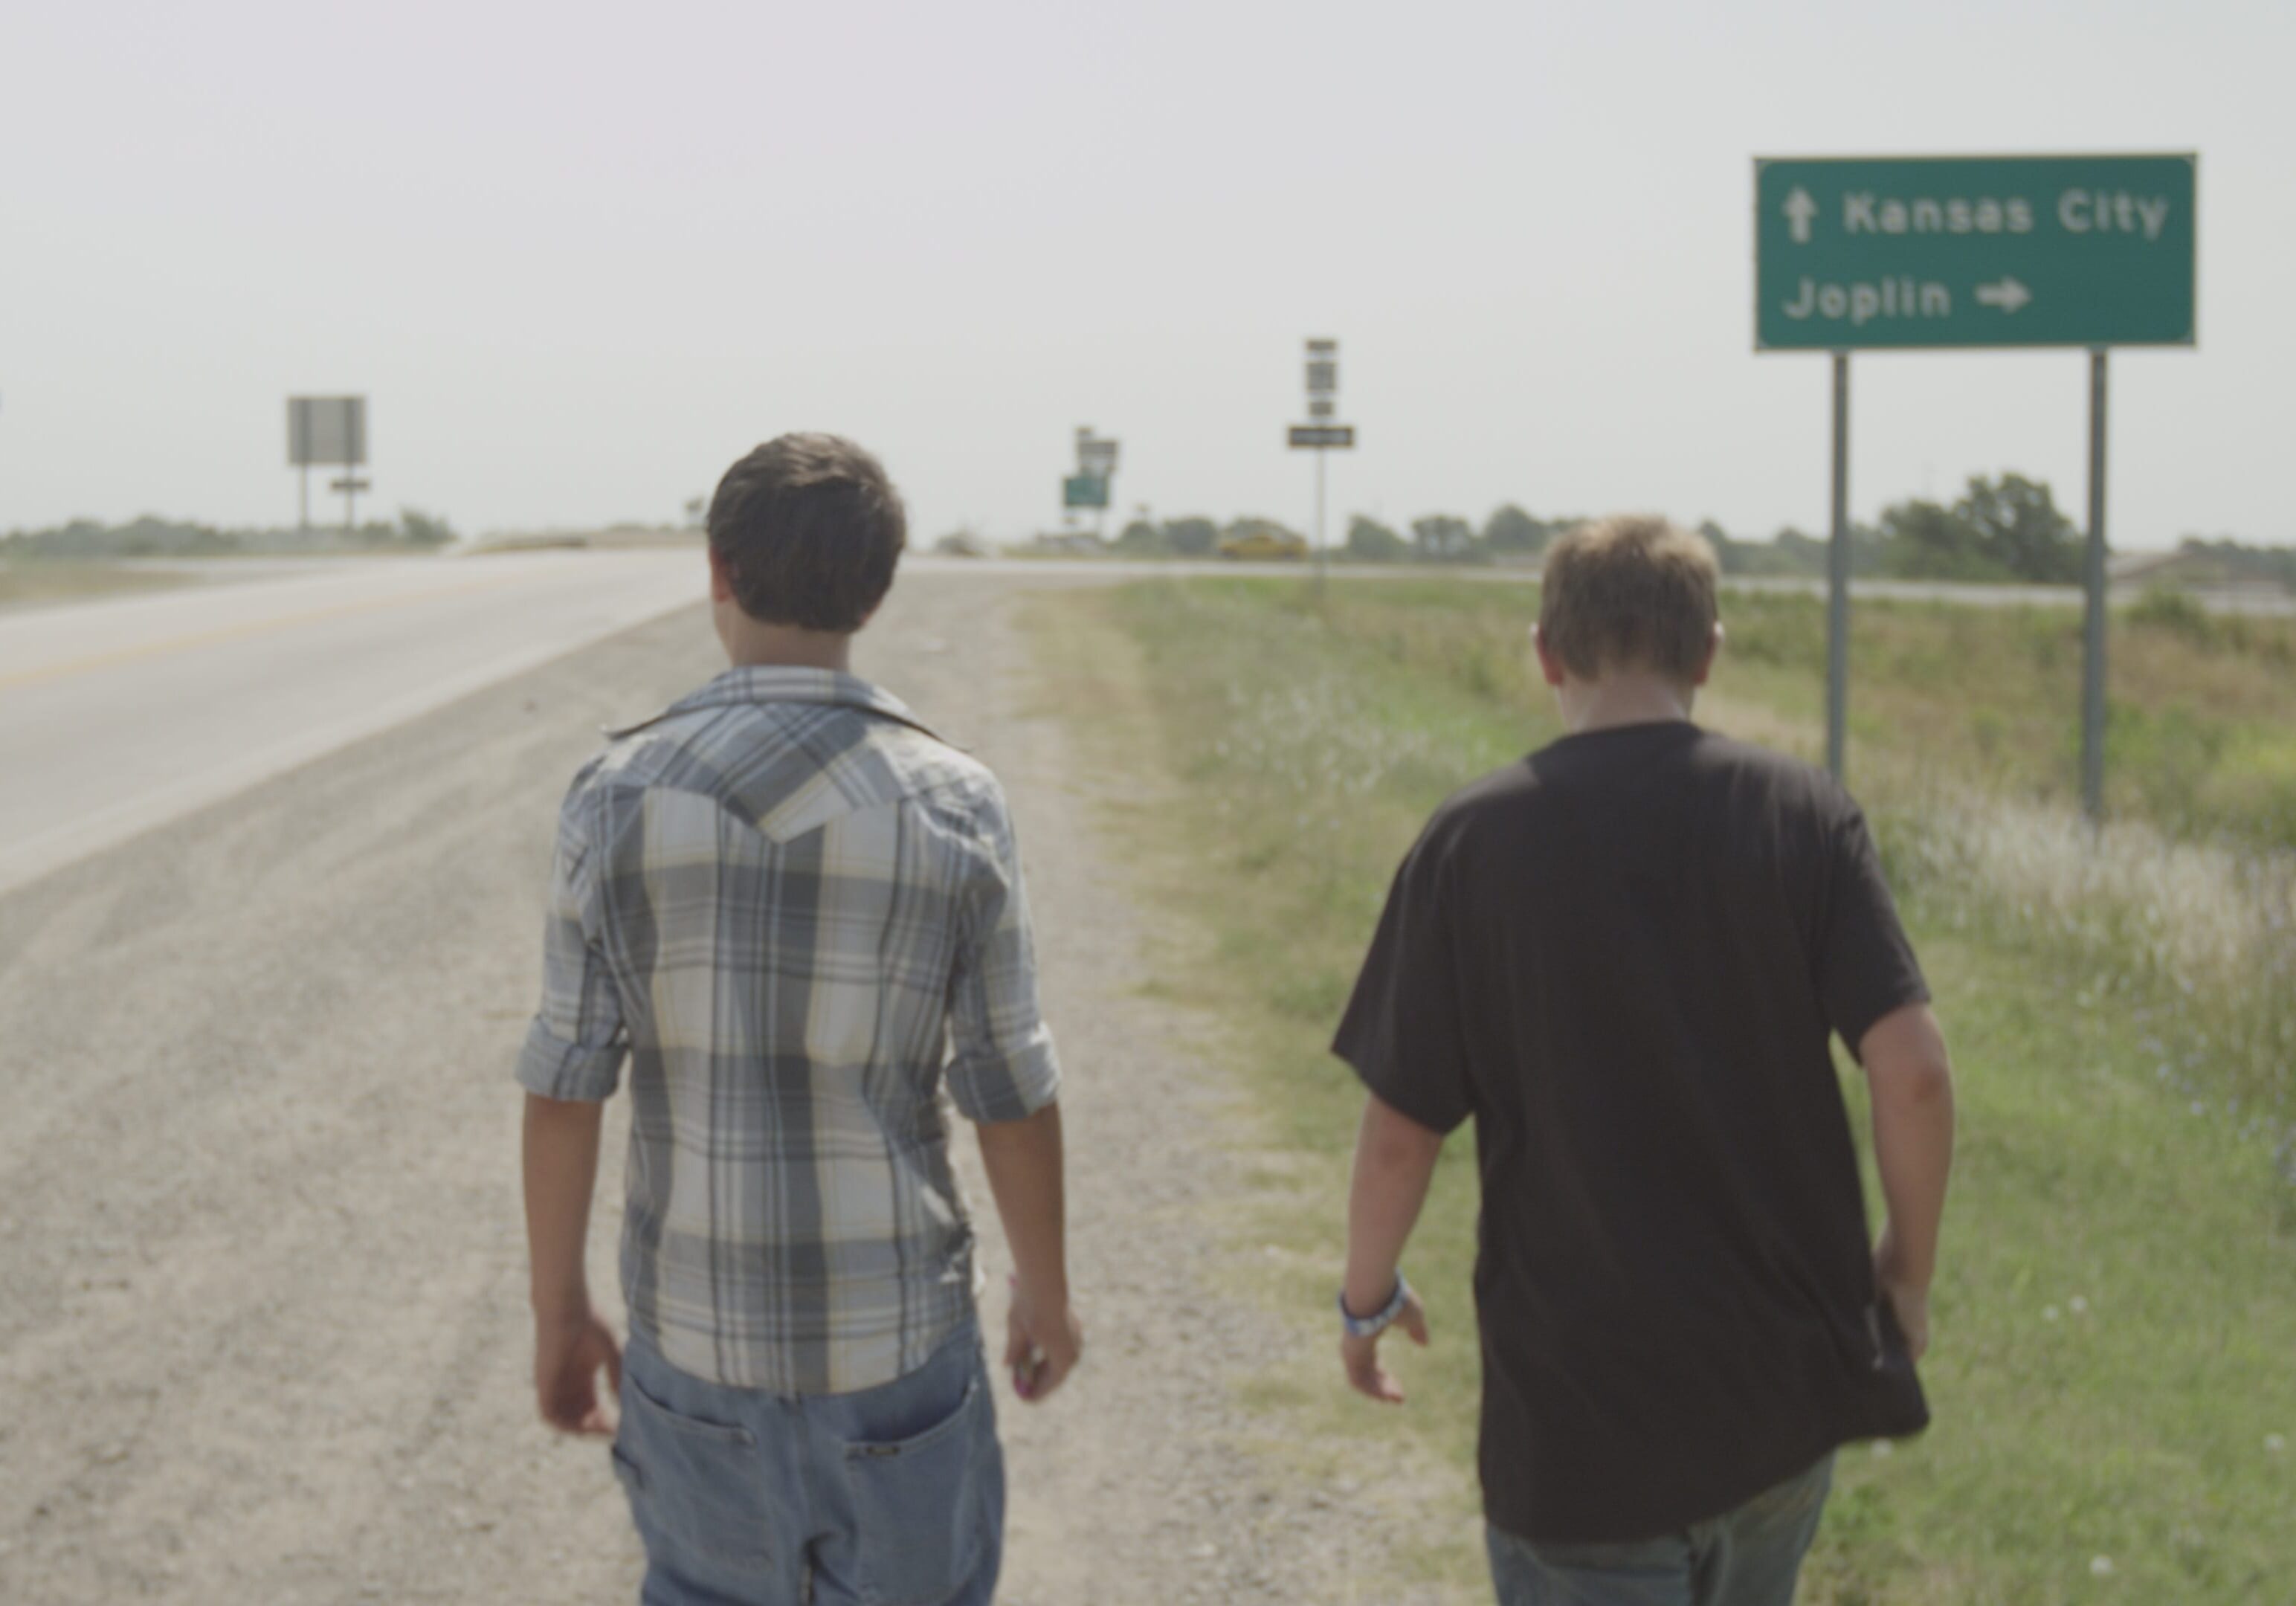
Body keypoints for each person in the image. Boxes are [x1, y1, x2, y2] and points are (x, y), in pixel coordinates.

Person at [1332, 515, 1954, 1606]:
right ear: (1708, 652)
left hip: (1581, 1427)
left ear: (1545, 653)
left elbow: (1400, 1134)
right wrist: (1903, 1270)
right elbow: (1914, 1073)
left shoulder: (1473, 840)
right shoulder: (1803, 815)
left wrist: (1364, 1297)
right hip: (1778, 1402)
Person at [516, 433, 1080, 1606]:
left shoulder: (614, 795)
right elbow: (1008, 1089)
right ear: (877, 588)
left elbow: (566, 1086)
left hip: (693, 1346)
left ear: (717, 570)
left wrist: (561, 1311)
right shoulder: (953, 804)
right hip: (898, 1351)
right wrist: (1047, 1292)